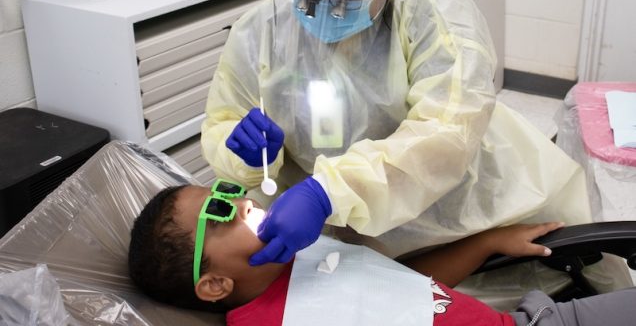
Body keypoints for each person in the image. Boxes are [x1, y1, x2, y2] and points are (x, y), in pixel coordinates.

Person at [201, 0, 630, 306]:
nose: (326, 7)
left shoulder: (435, 15)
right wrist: (245, 155)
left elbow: (444, 136)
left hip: (454, 210)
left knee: (533, 291)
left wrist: (330, 190)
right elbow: (223, 121)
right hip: (327, 232)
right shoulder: (261, 30)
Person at [128, 181, 636, 326]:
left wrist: (486, 242)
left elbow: (403, 287)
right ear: (214, 283)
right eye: (220, 211)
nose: (242, 201)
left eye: (225, 190)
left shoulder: (302, 253)